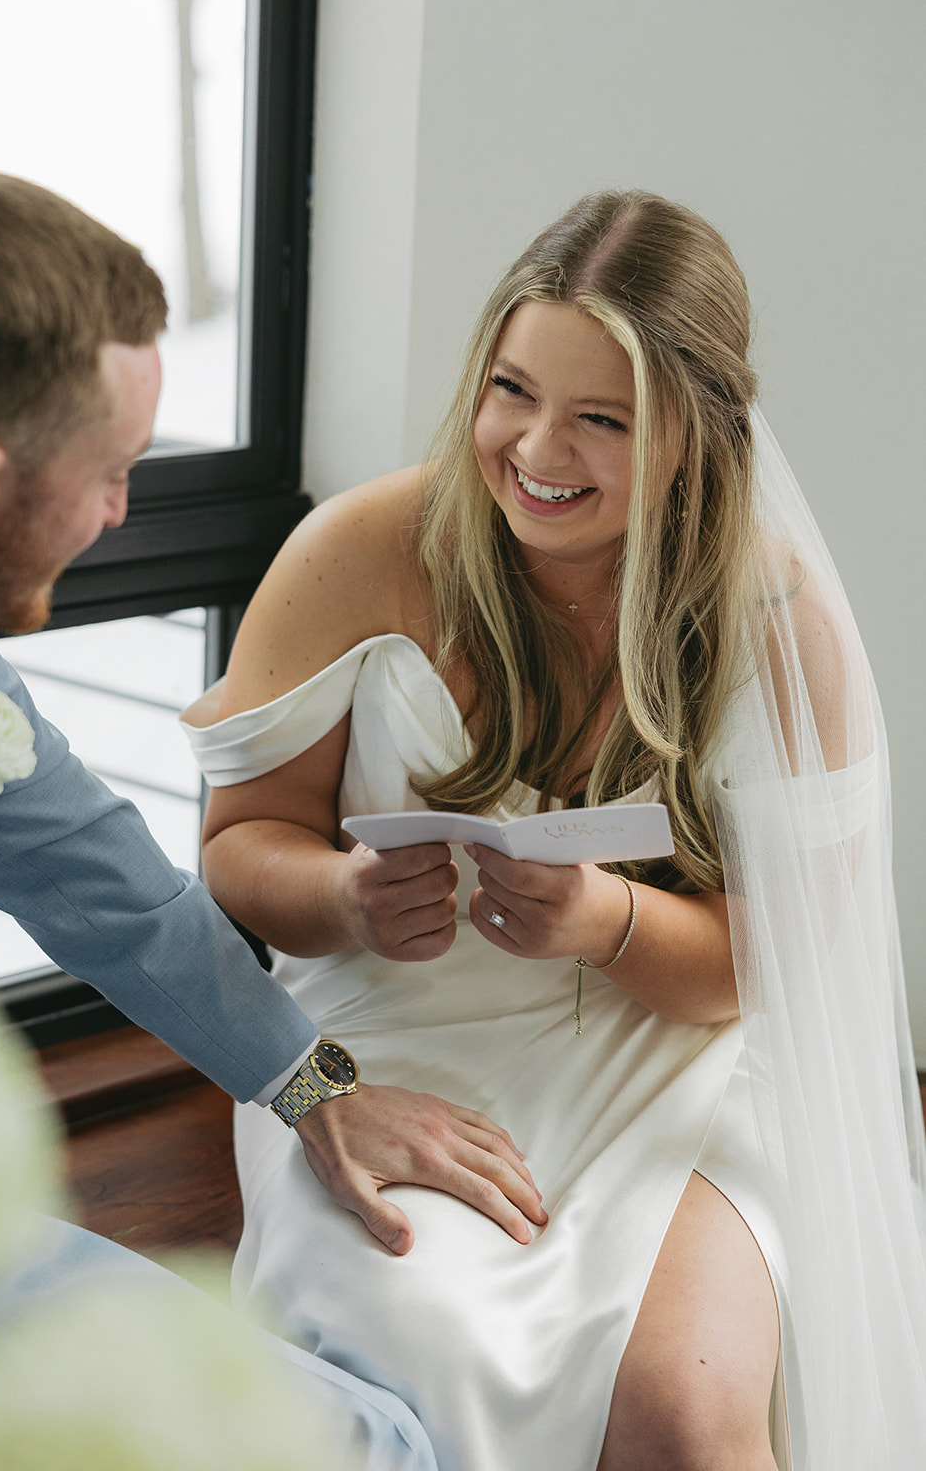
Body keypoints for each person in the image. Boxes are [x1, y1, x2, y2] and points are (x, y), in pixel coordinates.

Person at [184, 190, 926, 1471]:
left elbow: (787, 963)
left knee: (687, 1418)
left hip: (678, 1049)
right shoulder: (358, 552)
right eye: (511, 389)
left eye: (600, 416)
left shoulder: (776, 623)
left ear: (697, 433)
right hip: (383, 1036)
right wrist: (346, 898)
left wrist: (610, 922)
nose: (536, 446)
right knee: (436, 1337)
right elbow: (241, 844)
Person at [0, 167, 546, 1464]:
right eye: (110, 473)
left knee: (367, 1438)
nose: (122, 513)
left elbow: (107, 883)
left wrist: (313, 1082)